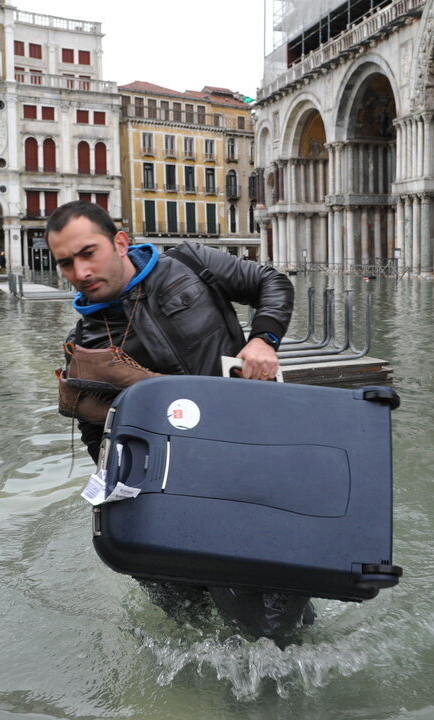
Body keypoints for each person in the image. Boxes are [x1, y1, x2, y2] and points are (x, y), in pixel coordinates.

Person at [46, 201, 307, 637]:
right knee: (195, 624)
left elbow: (270, 282)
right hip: (175, 492)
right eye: (66, 263)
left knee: (282, 608)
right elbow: (101, 440)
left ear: (120, 243)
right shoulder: (84, 345)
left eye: (88, 253)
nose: (79, 271)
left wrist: (264, 338)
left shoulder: (189, 261)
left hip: (250, 457)